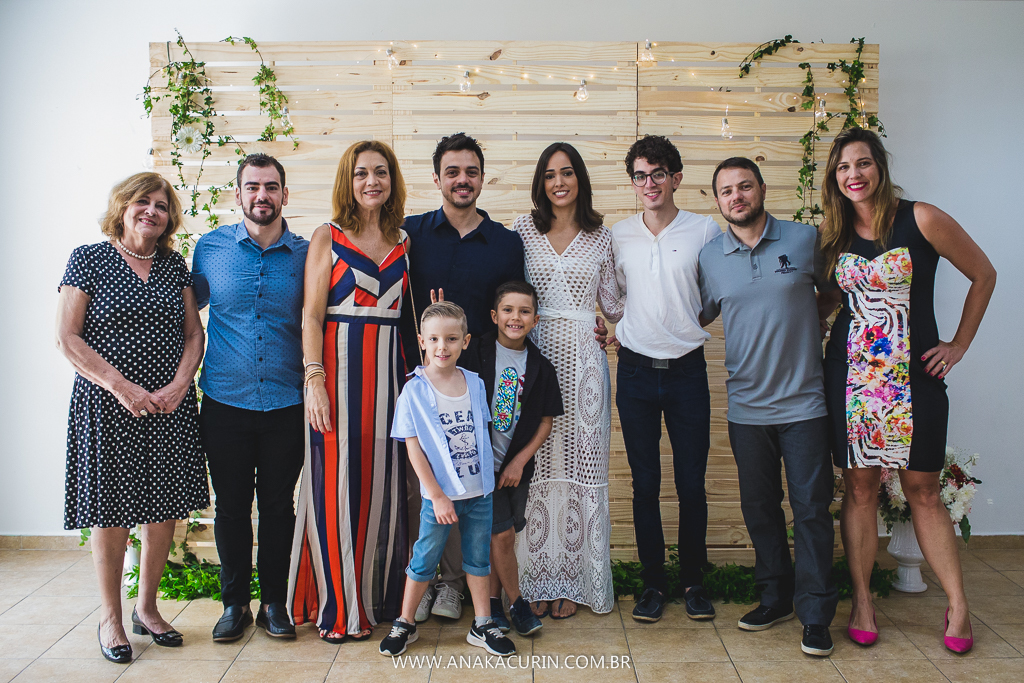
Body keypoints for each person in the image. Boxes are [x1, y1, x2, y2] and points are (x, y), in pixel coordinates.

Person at [818, 128, 995, 654]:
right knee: (860, 490)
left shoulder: (922, 219)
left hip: (914, 380)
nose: (853, 174)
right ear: (833, 176)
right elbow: (830, 302)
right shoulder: (833, 234)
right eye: (843, 167)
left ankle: (958, 606)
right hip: (851, 379)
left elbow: (983, 274)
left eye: (863, 163)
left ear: (880, 166)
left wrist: (958, 344)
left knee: (924, 490)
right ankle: (862, 602)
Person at [56, 172, 209, 663]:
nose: (152, 211)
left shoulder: (173, 265)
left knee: (164, 507)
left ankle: (147, 608)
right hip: (107, 405)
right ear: (122, 207)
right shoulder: (89, 258)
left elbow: (193, 335)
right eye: (143, 201)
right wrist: (120, 385)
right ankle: (111, 618)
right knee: (111, 511)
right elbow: (67, 336)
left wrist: (179, 385)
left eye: (162, 206)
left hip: (167, 406)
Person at [698, 157, 839, 656]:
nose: (736, 196)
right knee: (760, 509)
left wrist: (809, 321)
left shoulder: (804, 239)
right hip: (746, 408)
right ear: (718, 201)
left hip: (805, 404)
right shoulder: (711, 257)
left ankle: (815, 613)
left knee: (811, 510)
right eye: (726, 191)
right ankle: (775, 597)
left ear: (761, 188)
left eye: (744, 186)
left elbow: (833, 293)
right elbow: (694, 314)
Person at [399, 132, 525, 622]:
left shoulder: (505, 244)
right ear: (437, 179)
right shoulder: (410, 234)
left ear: (482, 178)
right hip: (421, 384)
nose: (462, 180)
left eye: (471, 171)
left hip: (478, 387)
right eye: (452, 171)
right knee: (425, 484)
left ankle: (453, 584)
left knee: (468, 483)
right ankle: (421, 581)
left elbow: (514, 313)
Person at [288, 140, 410, 643]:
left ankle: (378, 599)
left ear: (392, 180)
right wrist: (314, 379)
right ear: (348, 180)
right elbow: (311, 317)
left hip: (391, 386)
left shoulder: (404, 241)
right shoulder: (328, 235)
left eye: (380, 172)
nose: (371, 181)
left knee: (381, 491)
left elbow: (410, 324)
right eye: (361, 173)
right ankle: (339, 607)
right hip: (336, 381)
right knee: (334, 491)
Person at [192, 153, 307, 642]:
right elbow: (186, 318)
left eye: (271, 187)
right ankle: (235, 603)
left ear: (285, 195)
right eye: (253, 187)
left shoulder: (307, 254)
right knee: (232, 507)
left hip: (287, 402)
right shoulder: (209, 249)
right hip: (224, 402)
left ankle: (275, 604)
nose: (262, 195)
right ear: (237, 194)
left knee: (279, 507)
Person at [610, 135, 720, 623]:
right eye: (640, 175)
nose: (649, 183)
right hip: (634, 371)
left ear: (675, 178)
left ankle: (694, 581)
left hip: (687, 371)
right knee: (645, 484)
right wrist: (619, 328)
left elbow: (713, 297)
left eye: (658, 174)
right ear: (633, 182)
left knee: (691, 484)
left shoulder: (705, 230)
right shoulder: (619, 234)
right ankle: (653, 583)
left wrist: (683, 324)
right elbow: (615, 298)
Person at [511, 142, 623, 618]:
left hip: (584, 365)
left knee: (582, 467)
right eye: (550, 174)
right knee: (534, 466)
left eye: (568, 172)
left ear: (580, 178)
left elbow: (614, 306)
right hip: (532, 359)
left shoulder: (602, 237)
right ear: (541, 182)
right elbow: (508, 294)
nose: (559, 182)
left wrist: (610, 326)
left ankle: (574, 582)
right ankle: (533, 578)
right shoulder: (522, 229)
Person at [380, 302, 516, 657]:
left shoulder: (475, 383)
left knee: (477, 559)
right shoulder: (414, 391)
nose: (443, 346)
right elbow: (414, 450)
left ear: (465, 341)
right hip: (438, 497)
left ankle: (482, 624)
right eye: (435, 339)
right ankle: (405, 623)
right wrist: (437, 495)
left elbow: (483, 434)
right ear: (422, 341)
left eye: (452, 339)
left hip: (479, 493)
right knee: (424, 558)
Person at [460, 281, 564, 634]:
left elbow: (546, 421)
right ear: (494, 316)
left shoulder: (540, 367)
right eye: (507, 310)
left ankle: (493, 605)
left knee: (500, 535)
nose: (515, 317)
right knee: (501, 536)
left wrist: (519, 462)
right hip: (479, 467)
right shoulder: (476, 352)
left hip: (514, 470)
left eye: (524, 311)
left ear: (535, 320)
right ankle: (518, 605)